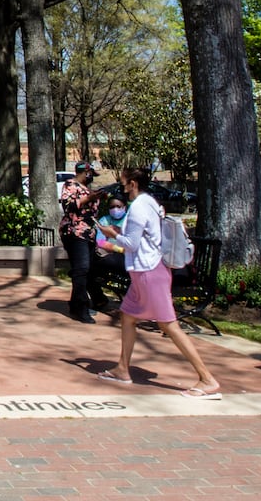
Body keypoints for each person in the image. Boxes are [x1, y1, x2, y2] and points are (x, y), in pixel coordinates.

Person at [96, 164, 221, 398]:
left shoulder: (138, 208)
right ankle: (123, 368)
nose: (121, 188)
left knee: (168, 324)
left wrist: (113, 234)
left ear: (132, 184)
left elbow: (130, 244)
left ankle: (207, 379)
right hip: (145, 272)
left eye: (123, 183)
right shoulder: (150, 203)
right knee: (128, 316)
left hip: (149, 273)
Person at [59, 161, 101, 324]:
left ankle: (80, 301)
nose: (92, 178)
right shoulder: (70, 185)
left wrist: (97, 197)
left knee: (87, 269)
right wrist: (88, 199)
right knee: (82, 268)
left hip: (88, 233)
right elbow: (68, 206)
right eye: (91, 174)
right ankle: (80, 308)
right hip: (74, 231)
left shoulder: (86, 189)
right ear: (85, 172)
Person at [90, 195, 129, 309]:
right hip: (110, 255)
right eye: (112, 207)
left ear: (124, 207)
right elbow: (100, 242)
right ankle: (99, 299)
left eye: (118, 206)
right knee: (86, 269)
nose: (115, 209)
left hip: (128, 257)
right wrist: (119, 249)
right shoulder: (104, 221)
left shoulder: (129, 220)